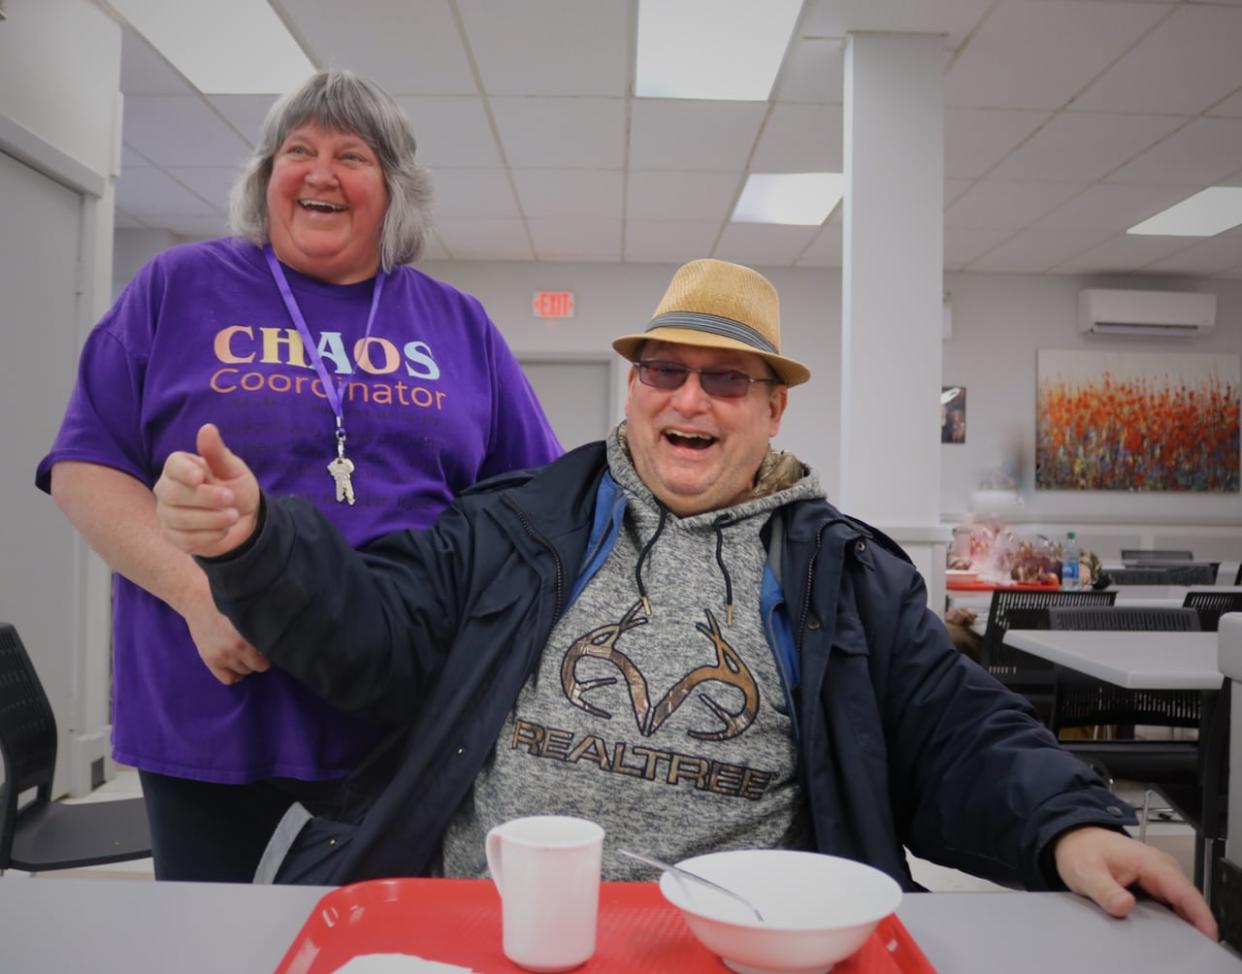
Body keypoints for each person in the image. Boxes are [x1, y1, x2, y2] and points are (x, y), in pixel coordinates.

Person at [155, 259, 1215, 937]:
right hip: (496, 923)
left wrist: (1069, 822)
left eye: (726, 378)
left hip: (739, 940)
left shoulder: (843, 573)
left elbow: (952, 727)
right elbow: (375, 631)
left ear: (773, 406)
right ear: (634, 389)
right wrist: (260, 539)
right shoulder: (517, 522)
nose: (689, 398)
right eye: (665, 370)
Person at [37, 70, 562, 883]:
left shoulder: (456, 322)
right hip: (212, 713)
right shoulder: (176, 289)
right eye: (299, 150)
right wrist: (194, 591)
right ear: (266, 176)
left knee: (381, 949)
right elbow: (84, 468)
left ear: (394, 193)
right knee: (219, 946)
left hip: (405, 721)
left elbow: (532, 502)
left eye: (352, 155)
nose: (320, 172)